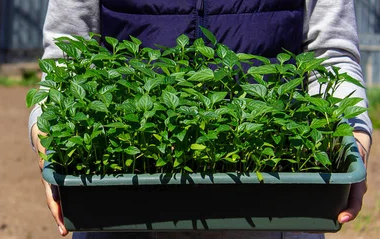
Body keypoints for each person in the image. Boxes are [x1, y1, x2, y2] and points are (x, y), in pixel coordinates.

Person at [28, 0, 373, 238]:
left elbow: (331, 55)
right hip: (118, 222)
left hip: (273, 216)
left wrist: (355, 141)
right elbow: (67, 51)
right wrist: (46, 133)